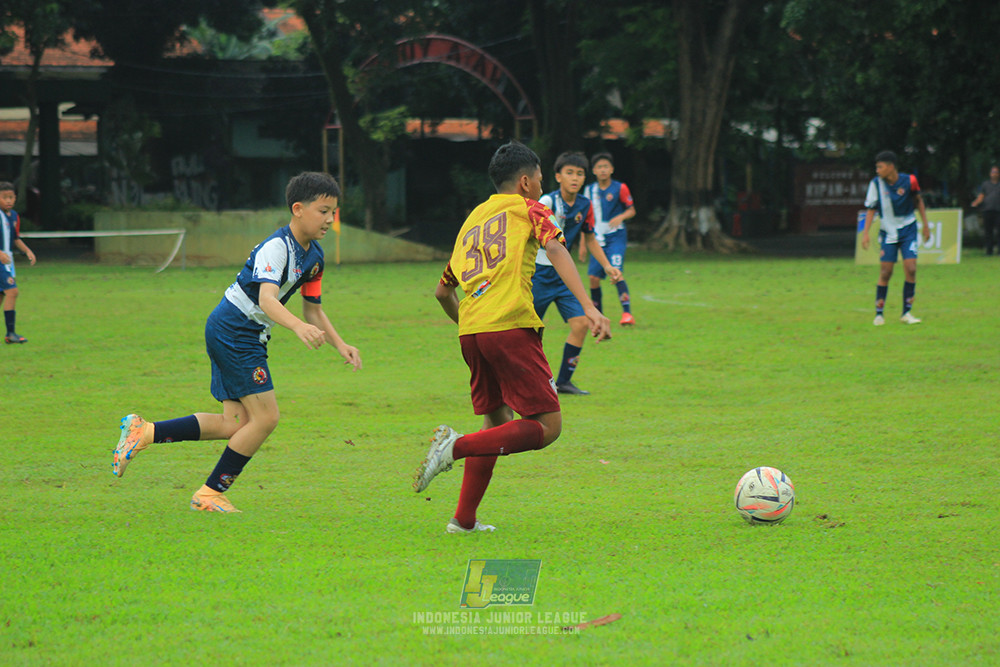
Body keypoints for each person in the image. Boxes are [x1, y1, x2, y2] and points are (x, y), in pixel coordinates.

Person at [112, 171, 362, 512]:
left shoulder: (314, 257)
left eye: (334, 211)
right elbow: (267, 300)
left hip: (242, 332)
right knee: (266, 418)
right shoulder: (277, 247)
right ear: (298, 208)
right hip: (234, 330)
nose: (330, 219)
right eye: (323, 211)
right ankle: (209, 493)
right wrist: (296, 327)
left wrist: (340, 344)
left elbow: (314, 310)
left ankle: (144, 432)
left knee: (236, 424)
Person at [414, 141, 611, 534]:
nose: (541, 188)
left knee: (497, 421)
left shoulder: (472, 220)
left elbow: (442, 292)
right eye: (539, 180)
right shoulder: (530, 208)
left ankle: (463, 521)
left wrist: (471, 326)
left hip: (472, 330)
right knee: (547, 426)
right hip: (509, 325)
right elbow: (555, 247)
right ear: (525, 182)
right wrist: (588, 307)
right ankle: (454, 446)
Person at [534, 151, 622, 396]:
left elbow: (591, 239)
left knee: (581, 323)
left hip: (564, 276)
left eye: (580, 174)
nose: (575, 178)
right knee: (529, 333)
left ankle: (563, 381)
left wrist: (607, 266)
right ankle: (522, 381)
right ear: (558, 176)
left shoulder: (585, 204)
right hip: (538, 274)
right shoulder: (547, 202)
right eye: (569, 173)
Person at [861, 151, 931, 325]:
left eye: (880, 167)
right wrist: (865, 233)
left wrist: (926, 225)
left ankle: (906, 313)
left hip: (908, 229)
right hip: (888, 231)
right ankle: (879, 313)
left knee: (911, 269)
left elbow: (918, 201)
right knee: (886, 272)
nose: (877, 170)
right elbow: (871, 209)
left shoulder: (910, 181)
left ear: (891, 166)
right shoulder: (876, 184)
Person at [582, 152, 636, 326]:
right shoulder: (589, 190)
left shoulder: (620, 188)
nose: (603, 170)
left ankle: (627, 314)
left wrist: (621, 217)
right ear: (594, 171)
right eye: (599, 167)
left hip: (616, 237)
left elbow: (631, 210)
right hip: (596, 238)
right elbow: (585, 220)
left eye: (606, 166)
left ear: (611, 169)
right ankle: (599, 315)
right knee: (593, 278)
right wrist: (583, 245)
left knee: (615, 272)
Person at [0, 181, 37, 344]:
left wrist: (27, 250)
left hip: (8, 261)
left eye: (11, 197)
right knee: (12, 292)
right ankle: (11, 334)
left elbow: (15, 238)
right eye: (4, 197)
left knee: (2, 295)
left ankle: (10, 334)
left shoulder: (14, 215)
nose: (8, 200)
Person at [971, 165, 1000, 255]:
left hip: (998, 211)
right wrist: (976, 202)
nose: (994, 174)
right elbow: (981, 196)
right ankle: (989, 251)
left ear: (998, 174)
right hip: (987, 210)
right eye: (993, 172)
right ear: (990, 174)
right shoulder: (985, 184)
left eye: (996, 172)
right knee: (988, 232)